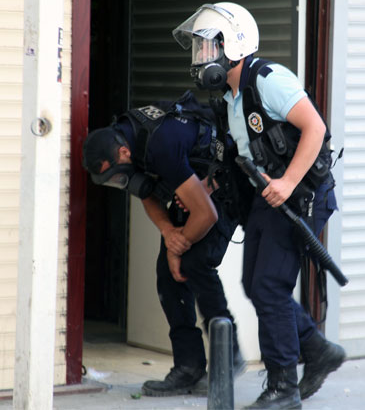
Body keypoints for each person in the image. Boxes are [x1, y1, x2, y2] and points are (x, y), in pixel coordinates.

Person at [173, 2, 346, 409]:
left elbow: (315, 128)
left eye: (207, 48)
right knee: (256, 283)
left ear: (233, 44)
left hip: (298, 196)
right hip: (269, 197)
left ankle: (284, 386)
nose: (202, 58)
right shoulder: (231, 97)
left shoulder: (267, 79)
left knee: (268, 285)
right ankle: (317, 349)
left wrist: (287, 183)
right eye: (199, 49)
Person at [82, 92, 244, 397]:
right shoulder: (129, 136)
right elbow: (147, 193)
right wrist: (168, 231)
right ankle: (188, 367)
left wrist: (174, 247)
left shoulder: (161, 145)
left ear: (123, 153)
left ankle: (229, 354)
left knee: (196, 263)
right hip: (193, 186)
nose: (121, 182)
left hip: (225, 185)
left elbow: (206, 214)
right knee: (167, 276)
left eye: (118, 177)